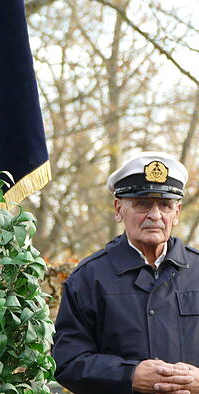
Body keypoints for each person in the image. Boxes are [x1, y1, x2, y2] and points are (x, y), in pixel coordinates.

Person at [53, 151, 199, 394]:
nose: (155, 215)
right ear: (118, 209)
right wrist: (129, 375)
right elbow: (68, 362)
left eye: (165, 204)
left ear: (178, 212)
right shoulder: (89, 278)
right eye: (142, 204)